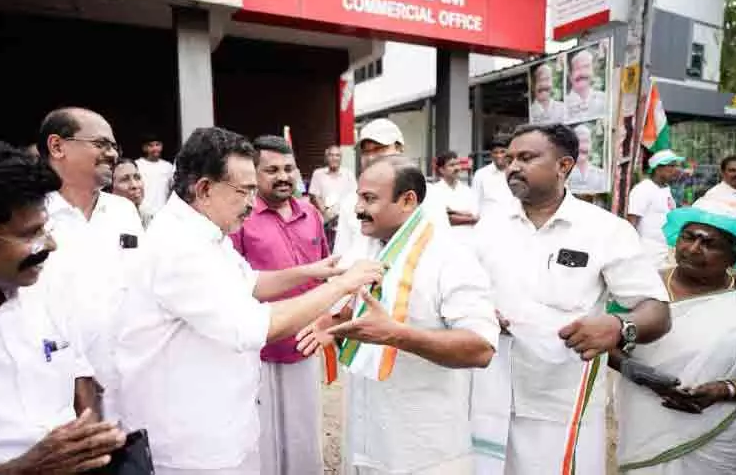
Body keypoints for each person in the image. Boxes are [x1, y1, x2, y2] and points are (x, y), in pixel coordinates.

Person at [114, 127, 384, 475]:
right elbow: (254, 326)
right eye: (244, 191)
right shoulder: (178, 249)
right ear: (204, 189)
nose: (251, 203)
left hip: (223, 424)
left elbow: (250, 282)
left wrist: (310, 271)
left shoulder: (206, 232)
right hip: (192, 444)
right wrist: (343, 285)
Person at [468, 124, 670, 475]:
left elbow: (657, 311)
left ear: (564, 166)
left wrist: (619, 326)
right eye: (510, 159)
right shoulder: (488, 226)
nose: (513, 167)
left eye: (526, 158)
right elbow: (464, 291)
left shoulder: (605, 230)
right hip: (487, 395)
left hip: (561, 402)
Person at [0, 141, 125, 473]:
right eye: (30, 235)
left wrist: (88, 444)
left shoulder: (45, 286)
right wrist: (25, 470)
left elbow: (78, 370)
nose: (50, 245)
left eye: (46, 227)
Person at [298, 155, 499, 474]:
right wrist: (337, 323)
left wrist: (395, 334)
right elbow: (367, 320)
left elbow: (481, 347)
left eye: (369, 199)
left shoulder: (450, 258)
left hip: (422, 449)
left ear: (407, 201)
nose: (357, 209)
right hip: (365, 440)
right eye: (358, 197)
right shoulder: (366, 249)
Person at [616, 197, 736, 474]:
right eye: (688, 237)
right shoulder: (640, 286)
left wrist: (725, 389)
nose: (694, 248)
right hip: (644, 422)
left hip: (721, 437)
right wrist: (634, 371)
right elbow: (602, 339)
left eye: (709, 243)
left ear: (734, 256)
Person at [229, 135, 329, 475]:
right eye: (271, 170)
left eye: (289, 168)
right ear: (254, 174)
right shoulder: (240, 218)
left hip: (305, 343)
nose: (283, 176)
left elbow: (323, 275)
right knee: (264, 440)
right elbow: (235, 285)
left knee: (303, 433)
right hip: (260, 348)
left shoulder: (311, 214)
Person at [37, 107, 144, 418]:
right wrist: (77, 376)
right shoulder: (31, 217)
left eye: (114, 146)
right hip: (61, 392)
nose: (112, 154)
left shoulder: (123, 211)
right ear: (57, 146)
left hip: (131, 381)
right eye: (101, 144)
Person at [332, 118, 449, 257]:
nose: (371, 157)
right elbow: (340, 256)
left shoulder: (431, 196)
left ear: (400, 149)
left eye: (379, 149)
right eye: (365, 152)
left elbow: (442, 249)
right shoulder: (350, 202)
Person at [627, 149, 684, 268]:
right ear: (658, 168)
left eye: (675, 166)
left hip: (665, 253)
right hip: (648, 255)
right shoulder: (643, 189)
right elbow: (631, 224)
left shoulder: (666, 189)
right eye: (671, 166)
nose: (675, 170)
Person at [309, 145, 357, 247]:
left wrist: (343, 215)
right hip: (324, 221)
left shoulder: (348, 175)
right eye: (331, 155)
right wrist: (325, 212)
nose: (334, 158)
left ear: (341, 158)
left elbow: (354, 196)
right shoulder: (318, 174)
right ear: (326, 157)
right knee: (323, 248)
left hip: (344, 221)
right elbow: (314, 195)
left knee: (342, 248)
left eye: (337, 155)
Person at [470, 135, 514, 220]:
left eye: (502, 152)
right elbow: (474, 201)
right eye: (495, 152)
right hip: (488, 223)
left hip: (513, 223)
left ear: (509, 153)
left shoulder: (515, 172)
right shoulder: (481, 174)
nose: (499, 155)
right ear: (491, 154)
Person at [432, 151, 477, 229]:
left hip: (467, 235)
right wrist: (466, 215)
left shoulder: (467, 191)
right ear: (442, 170)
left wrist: (453, 212)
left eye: (458, 164)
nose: (457, 168)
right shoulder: (434, 191)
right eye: (452, 165)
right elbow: (442, 218)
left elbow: (475, 216)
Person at [136, 135, 174, 221]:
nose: (155, 148)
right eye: (151, 145)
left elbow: (172, 189)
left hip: (163, 213)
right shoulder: (137, 165)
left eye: (157, 145)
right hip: (142, 213)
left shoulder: (168, 167)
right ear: (144, 148)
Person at [564, 50, 607, 121]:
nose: (582, 72)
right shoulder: (562, 106)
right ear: (570, 75)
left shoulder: (605, 99)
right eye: (577, 68)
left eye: (586, 67)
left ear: (593, 71)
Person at [111, 158, 151, 228]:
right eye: (125, 179)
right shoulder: (105, 221)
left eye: (137, 177)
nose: (134, 185)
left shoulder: (148, 217)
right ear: (111, 189)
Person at [567, 124, 607, 194]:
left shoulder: (600, 175)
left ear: (591, 145)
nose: (583, 146)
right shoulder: (564, 175)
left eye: (586, 141)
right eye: (579, 142)